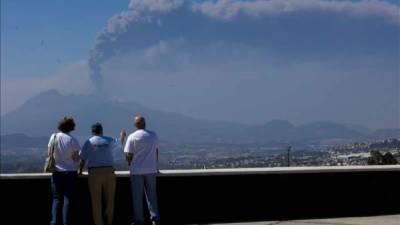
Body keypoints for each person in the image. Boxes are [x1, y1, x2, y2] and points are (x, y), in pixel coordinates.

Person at [79, 123, 126, 225]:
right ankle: (109, 222)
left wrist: (80, 171)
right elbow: (120, 143)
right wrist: (122, 135)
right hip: (109, 171)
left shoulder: (88, 142)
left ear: (92, 131)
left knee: (96, 202)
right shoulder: (108, 140)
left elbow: (82, 159)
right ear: (102, 130)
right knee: (110, 201)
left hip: (94, 173)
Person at [124, 116, 160, 225]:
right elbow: (156, 151)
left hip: (136, 171)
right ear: (145, 124)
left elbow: (128, 154)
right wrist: (155, 165)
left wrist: (129, 162)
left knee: (137, 197)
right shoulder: (153, 135)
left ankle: (139, 220)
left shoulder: (132, 137)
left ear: (135, 125)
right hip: (151, 169)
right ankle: (155, 218)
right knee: (152, 195)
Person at [49, 116, 81, 225]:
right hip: (70, 172)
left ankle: (54, 222)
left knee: (57, 199)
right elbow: (76, 158)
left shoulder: (53, 137)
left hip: (57, 172)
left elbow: (49, 152)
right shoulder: (73, 140)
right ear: (71, 127)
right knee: (68, 199)